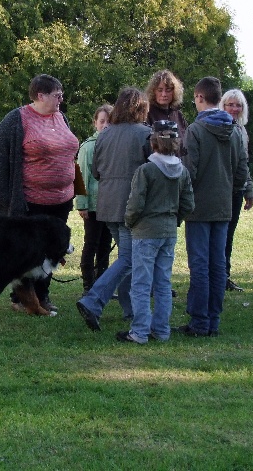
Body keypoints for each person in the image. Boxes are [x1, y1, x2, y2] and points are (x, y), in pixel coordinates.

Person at [0, 74, 79, 313]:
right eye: (57, 95)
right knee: (26, 253)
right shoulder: (16, 120)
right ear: (41, 95)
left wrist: (74, 187)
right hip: (29, 202)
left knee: (52, 250)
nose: (61, 99)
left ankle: (43, 295)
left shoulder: (61, 118)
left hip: (61, 200)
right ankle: (22, 298)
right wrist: (3, 202)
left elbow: (70, 155)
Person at [176, 77, 248, 337]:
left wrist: (182, 199)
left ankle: (199, 321)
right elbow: (242, 170)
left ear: (198, 97)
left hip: (199, 205)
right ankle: (213, 320)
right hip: (224, 205)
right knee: (218, 264)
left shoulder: (196, 130)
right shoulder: (235, 130)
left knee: (200, 265)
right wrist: (233, 189)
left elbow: (190, 171)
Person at [75, 88, 152, 332]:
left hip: (107, 206)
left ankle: (130, 310)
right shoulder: (145, 135)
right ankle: (93, 300)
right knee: (130, 258)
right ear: (141, 108)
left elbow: (96, 172)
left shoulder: (104, 136)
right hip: (132, 206)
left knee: (128, 258)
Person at [116, 121, 195, 343]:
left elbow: (135, 203)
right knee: (163, 283)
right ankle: (161, 330)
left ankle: (140, 331)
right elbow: (188, 204)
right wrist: (175, 220)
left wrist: (130, 222)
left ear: (153, 142)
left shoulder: (146, 170)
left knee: (141, 283)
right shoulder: (182, 171)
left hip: (145, 231)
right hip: (168, 231)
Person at [75, 104, 114, 295]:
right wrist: (82, 204)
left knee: (105, 246)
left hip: (110, 206)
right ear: (95, 123)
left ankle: (102, 284)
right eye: (102, 121)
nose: (106, 125)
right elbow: (80, 176)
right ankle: (88, 286)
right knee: (91, 244)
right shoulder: (88, 147)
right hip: (92, 205)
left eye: (110, 121)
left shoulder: (115, 146)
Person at [220, 88, 253, 293]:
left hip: (237, 189)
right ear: (222, 106)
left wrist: (249, 190)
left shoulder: (242, 130)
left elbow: (245, 163)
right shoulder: (219, 127)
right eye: (230, 104)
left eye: (238, 105)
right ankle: (218, 275)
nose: (234, 108)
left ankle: (225, 275)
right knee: (220, 234)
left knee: (229, 234)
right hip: (221, 188)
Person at [145, 69, 188, 152]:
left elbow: (185, 143)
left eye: (168, 90)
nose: (164, 94)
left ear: (174, 91)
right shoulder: (147, 113)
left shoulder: (178, 115)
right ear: (153, 91)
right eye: (160, 90)